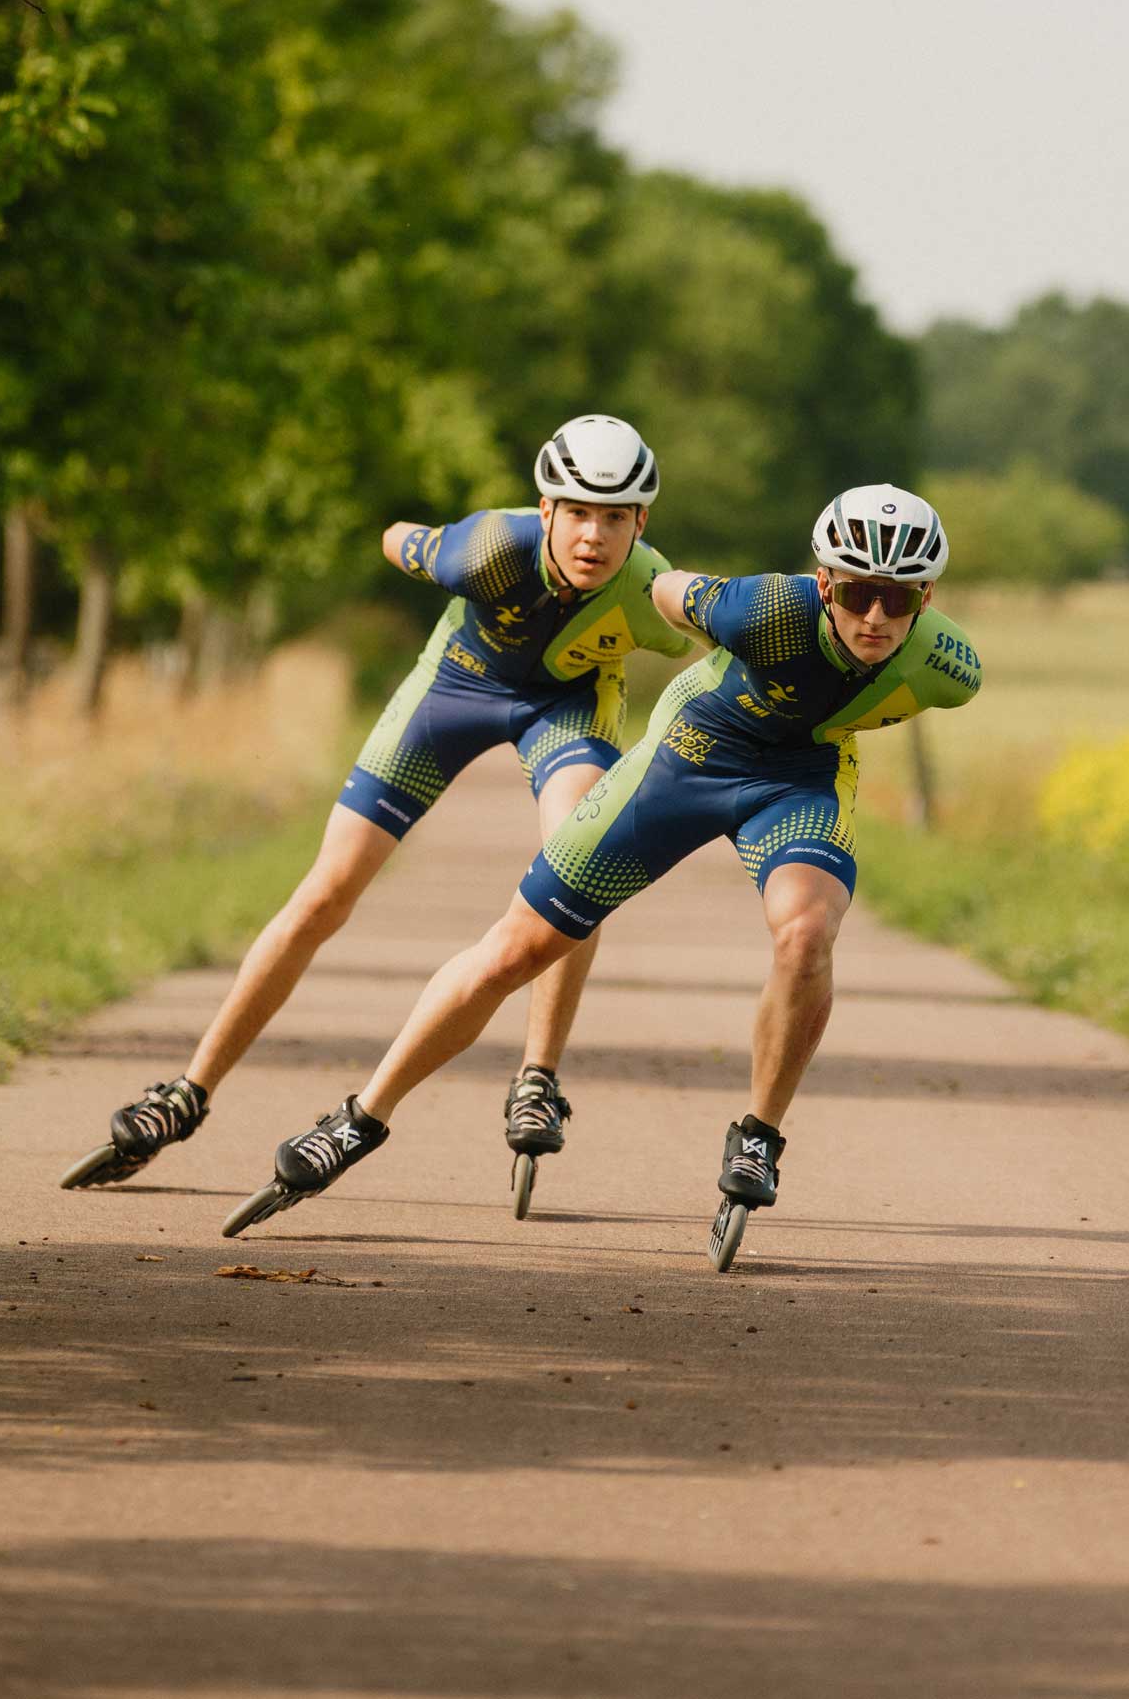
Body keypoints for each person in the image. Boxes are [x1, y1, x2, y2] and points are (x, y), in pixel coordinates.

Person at [234, 484, 982, 1227]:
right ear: (825, 582)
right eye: (856, 593)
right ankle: (362, 1116)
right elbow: (664, 589)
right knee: (514, 952)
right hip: (689, 758)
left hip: (800, 781)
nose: (876, 616)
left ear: (927, 596)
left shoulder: (951, 667)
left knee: (807, 933)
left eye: (899, 598)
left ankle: (757, 1137)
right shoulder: (765, 610)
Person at [61, 414, 694, 1188]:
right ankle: (187, 1092)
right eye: (578, 513)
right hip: (453, 689)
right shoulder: (489, 548)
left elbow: (734, 642)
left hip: (565, 710)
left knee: (575, 855)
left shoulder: (651, 591)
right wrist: (419, 545)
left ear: (642, 522)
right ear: (546, 509)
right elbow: (398, 537)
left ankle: (538, 1078)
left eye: (616, 517)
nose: (593, 536)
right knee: (325, 892)